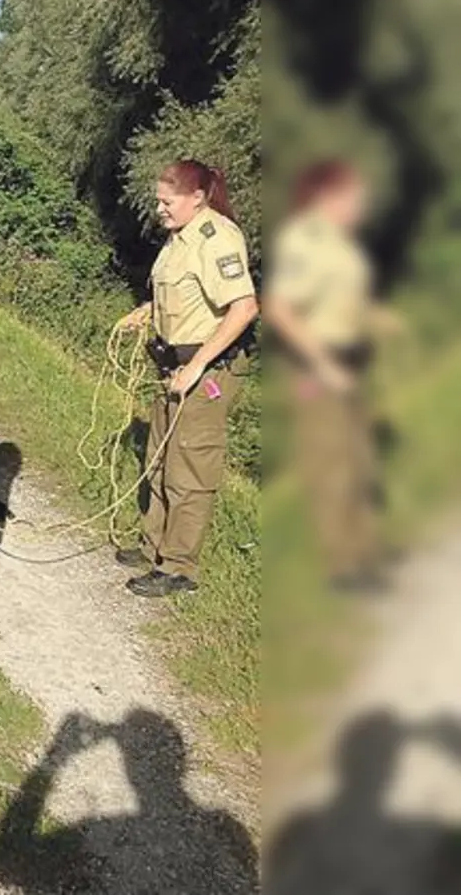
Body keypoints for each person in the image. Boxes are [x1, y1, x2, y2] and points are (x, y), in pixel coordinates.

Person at [116, 160, 258, 598]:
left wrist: (197, 367)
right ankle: (153, 544)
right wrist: (147, 312)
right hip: (170, 367)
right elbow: (182, 296)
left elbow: (245, 308)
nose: (160, 209)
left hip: (206, 370)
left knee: (189, 467)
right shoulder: (181, 238)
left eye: (167, 201)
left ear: (197, 197)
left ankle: (179, 568)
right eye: (158, 201)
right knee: (158, 456)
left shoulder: (218, 239)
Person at [265, 160, 388, 592]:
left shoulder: (342, 243)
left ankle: (362, 556)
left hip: (353, 362)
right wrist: (323, 366)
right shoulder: (304, 240)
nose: (361, 204)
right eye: (354, 196)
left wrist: (379, 318)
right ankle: (342, 567)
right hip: (319, 366)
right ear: (327, 196)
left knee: (359, 462)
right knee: (332, 468)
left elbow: (344, 299)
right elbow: (281, 309)